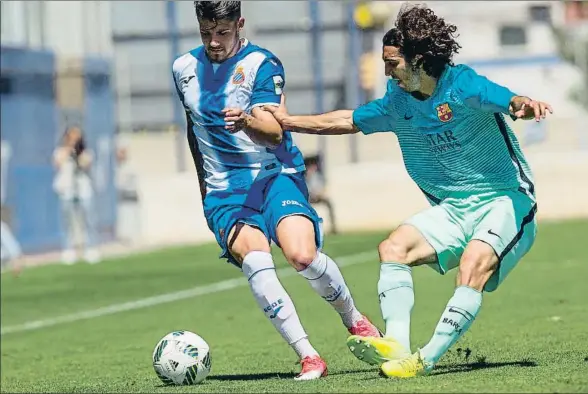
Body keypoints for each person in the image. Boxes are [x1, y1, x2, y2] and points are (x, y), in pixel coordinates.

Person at [264, 4, 552, 378]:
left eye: (392, 63)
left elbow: (507, 99)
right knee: (392, 248)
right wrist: (288, 121)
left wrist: (525, 106)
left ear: (419, 60)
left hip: (505, 200)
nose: (386, 71)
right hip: (454, 208)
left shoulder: (462, 85)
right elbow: (346, 120)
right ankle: (397, 344)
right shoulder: (397, 102)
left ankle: (424, 359)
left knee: (471, 267)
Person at [172, 1, 380, 381]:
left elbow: (274, 132)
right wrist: (206, 192)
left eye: (222, 33)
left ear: (239, 24)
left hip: (274, 174)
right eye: (206, 33)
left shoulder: (262, 65)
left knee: (301, 256)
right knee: (255, 258)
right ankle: (308, 356)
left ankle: (354, 318)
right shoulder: (183, 69)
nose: (214, 43)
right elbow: (193, 131)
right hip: (224, 192)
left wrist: (247, 121)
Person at [52, 126, 101, 264]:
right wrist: (69, 151)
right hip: (67, 190)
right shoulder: (60, 151)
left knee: (89, 219)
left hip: (83, 189)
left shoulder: (86, 152)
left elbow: (86, 165)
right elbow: (58, 163)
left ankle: (91, 248)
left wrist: (78, 154)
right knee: (67, 221)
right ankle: (68, 250)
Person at [303, 155, 338, 234]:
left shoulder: (318, 176)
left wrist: (320, 194)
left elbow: (323, 187)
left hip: (318, 196)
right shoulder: (304, 176)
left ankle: (333, 228)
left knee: (328, 203)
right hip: (308, 198)